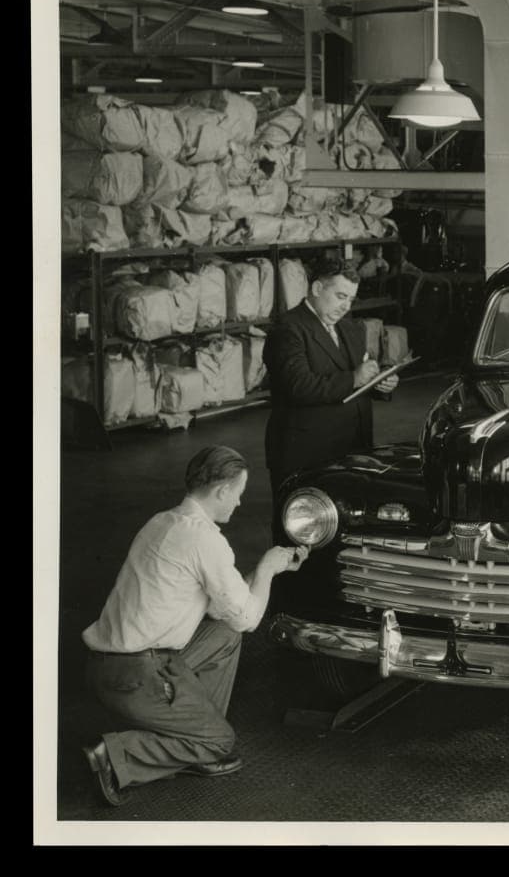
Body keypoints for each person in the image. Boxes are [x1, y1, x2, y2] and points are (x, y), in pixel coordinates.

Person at [80, 446, 310, 807]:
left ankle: (194, 738)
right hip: (136, 673)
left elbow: (228, 612)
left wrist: (270, 570)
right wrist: (266, 570)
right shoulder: (206, 540)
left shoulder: (164, 521)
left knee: (224, 635)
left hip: (110, 665)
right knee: (221, 741)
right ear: (221, 491)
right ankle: (116, 754)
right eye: (238, 493)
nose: (238, 503)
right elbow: (250, 619)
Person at [264, 257, 398, 538]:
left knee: (347, 531)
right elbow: (299, 386)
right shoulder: (287, 330)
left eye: (350, 298)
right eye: (340, 296)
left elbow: (359, 374)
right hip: (305, 452)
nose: (345, 306)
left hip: (352, 448)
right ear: (316, 288)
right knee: (300, 531)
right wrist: (355, 378)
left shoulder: (351, 328)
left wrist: (379, 383)